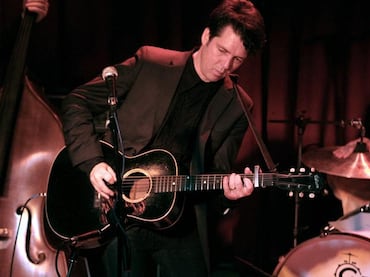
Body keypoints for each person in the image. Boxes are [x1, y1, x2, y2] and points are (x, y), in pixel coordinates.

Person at [61, 0, 266, 276]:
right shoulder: (151, 63)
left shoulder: (238, 105)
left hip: (180, 222)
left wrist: (229, 196)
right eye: (222, 50)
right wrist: (93, 162)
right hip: (121, 213)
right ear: (206, 36)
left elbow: (217, 175)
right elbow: (77, 102)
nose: (225, 65)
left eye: (237, 59)